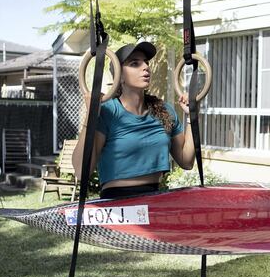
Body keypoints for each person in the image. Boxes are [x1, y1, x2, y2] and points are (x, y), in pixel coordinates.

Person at [72, 41, 195, 199]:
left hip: (156, 197)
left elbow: (186, 161)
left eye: (146, 62)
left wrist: (191, 115)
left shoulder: (164, 111)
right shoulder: (107, 111)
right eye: (135, 63)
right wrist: (91, 115)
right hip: (116, 201)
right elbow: (81, 171)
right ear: (119, 76)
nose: (145, 67)